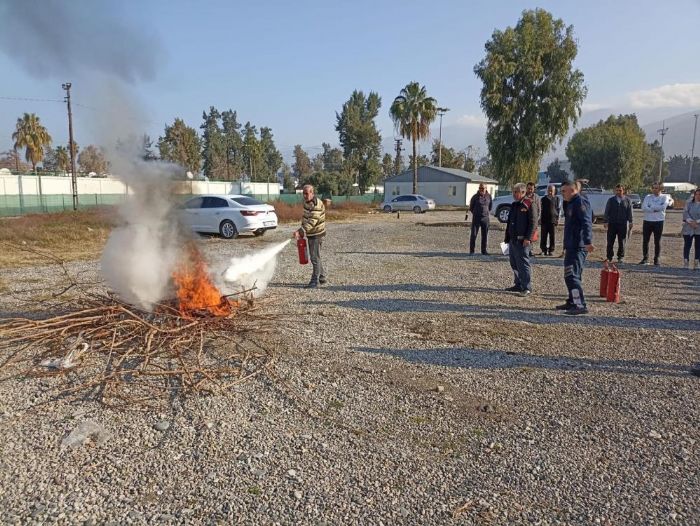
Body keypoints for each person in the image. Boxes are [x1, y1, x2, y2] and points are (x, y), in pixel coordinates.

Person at [557, 180, 594, 315]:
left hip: (578, 246)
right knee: (569, 275)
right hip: (571, 245)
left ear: (572, 191)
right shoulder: (571, 203)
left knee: (572, 275)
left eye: (563, 191)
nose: (562, 194)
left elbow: (586, 222)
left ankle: (579, 305)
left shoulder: (580, 202)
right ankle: (572, 301)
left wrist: (588, 241)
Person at [504, 183, 536, 296]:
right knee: (514, 263)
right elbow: (509, 223)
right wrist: (507, 238)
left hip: (523, 240)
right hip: (513, 240)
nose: (514, 194)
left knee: (523, 264)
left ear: (523, 192)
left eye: (516, 192)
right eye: (513, 192)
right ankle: (518, 284)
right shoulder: (514, 205)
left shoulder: (529, 204)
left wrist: (528, 238)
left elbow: (533, 223)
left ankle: (526, 287)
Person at [292, 184, 327, 288]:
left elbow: (312, 221)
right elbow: (305, 218)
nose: (305, 195)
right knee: (316, 255)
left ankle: (314, 281)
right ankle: (322, 276)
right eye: (304, 193)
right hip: (311, 233)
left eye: (307, 193)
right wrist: (301, 230)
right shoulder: (306, 203)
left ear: (312, 193)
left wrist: (301, 231)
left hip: (317, 234)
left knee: (314, 258)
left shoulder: (316, 204)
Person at [639, 181, 672, 266]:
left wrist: (651, 207)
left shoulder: (664, 197)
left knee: (657, 241)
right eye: (653, 188)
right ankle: (645, 258)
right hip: (647, 221)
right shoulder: (648, 197)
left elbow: (663, 207)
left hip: (659, 221)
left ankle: (656, 259)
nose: (654, 190)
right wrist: (654, 209)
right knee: (645, 241)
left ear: (660, 188)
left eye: (656, 188)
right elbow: (644, 207)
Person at [604, 184, 634, 265]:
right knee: (610, 241)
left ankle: (620, 257)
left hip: (622, 224)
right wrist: (606, 221)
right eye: (617, 190)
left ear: (623, 191)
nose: (618, 192)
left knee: (622, 241)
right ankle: (609, 257)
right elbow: (607, 211)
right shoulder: (611, 200)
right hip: (612, 224)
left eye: (620, 190)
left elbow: (630, 212)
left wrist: (631, 221)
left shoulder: (628, 200)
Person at [468, 183, 492, 255]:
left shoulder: (489, 196)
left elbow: (490, 207)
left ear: (486, 188)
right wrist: (476, 213)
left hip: (485, 218)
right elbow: (471, 207)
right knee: (474, 234)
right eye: (480, 188)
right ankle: (472, 251)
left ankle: (484, 251)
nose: (481, 189)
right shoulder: (475, 197)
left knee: (484, 235)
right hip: (476, 218)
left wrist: (486, 213)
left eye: (483, 188)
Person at [539, 185, 561, 256]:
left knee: (552, 236)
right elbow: (540, 210)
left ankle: (551, 250)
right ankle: (543, 249)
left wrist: (558, 219)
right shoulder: (543, 199)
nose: (550, 192)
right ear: (547, 190)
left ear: (554, 191)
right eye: (549, 190)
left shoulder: (557, 199)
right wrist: (539, 219)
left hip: (553, 220)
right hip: (544, 220)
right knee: (543, 236)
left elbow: (559, 209)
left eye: (552, 190)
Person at [682, 188, 700, 270]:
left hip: (698, 228)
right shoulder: (688, 203)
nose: (698, 196)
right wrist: (691, 222)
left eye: (699, 194)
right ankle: (686, 262)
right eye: (697, 194)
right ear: (694, 195)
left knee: (698, 246)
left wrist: (697, 222)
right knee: (687, 245)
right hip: (688, 227)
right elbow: (685, 213)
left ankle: (696, 263)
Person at [525, 182, 541, 249]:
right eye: (529, 189)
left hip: (533, 219)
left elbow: (539, 209)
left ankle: (530, 249)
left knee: (532, 234)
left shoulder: (536, 197)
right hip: (525, 219)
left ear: (534, 189)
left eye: (531, 189)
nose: (530, 190)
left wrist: (537, 219)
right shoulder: (524, 196)